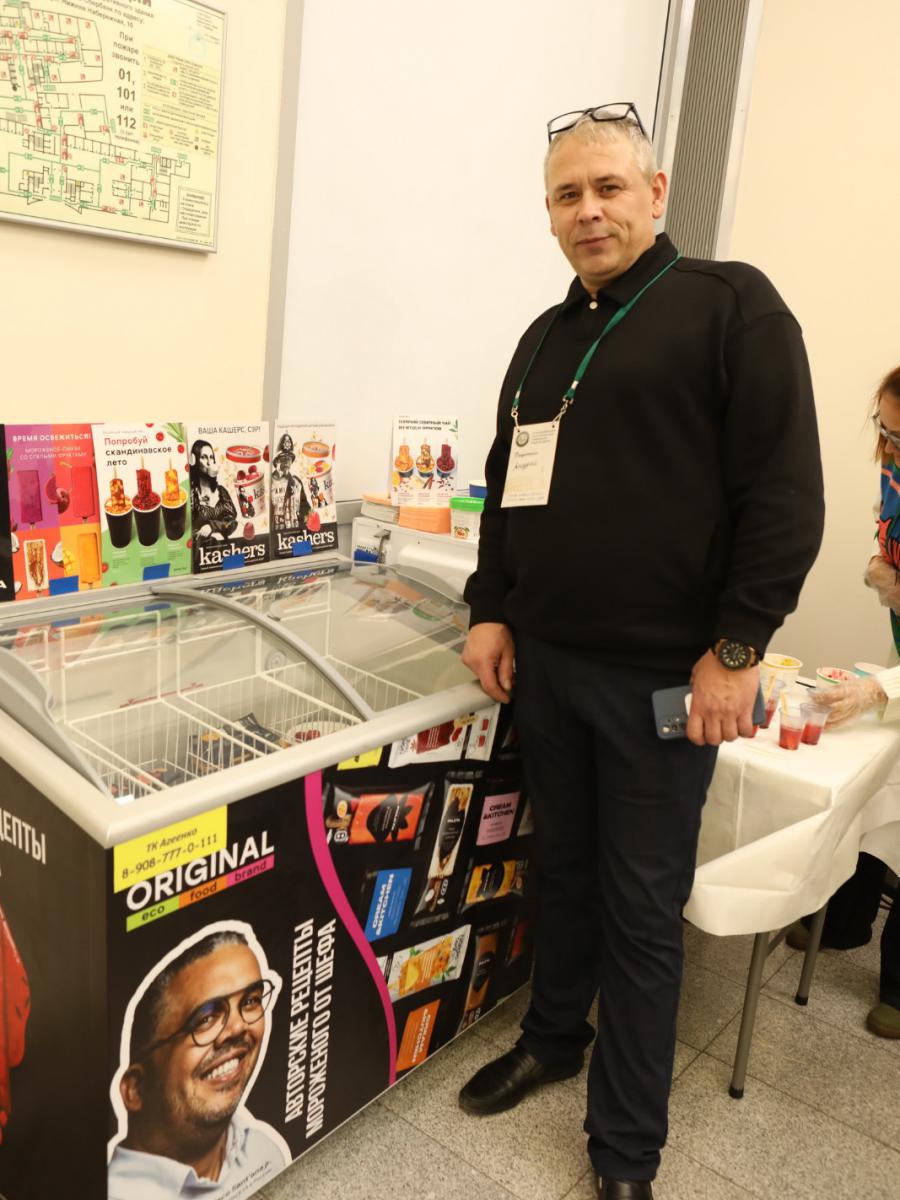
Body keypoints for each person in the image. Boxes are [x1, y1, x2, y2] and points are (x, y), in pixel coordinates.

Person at [459, 103, 824, 1199]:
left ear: (656, 193)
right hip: (549, 666)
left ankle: (624, 1148)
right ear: (549, 213)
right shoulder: (544, 338)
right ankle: (553, 1038)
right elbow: (508, 491)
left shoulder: (731, 306)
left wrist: (738, 647)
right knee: (562, 870)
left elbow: (784, 495)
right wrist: (490, 607)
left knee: (641, 906)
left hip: (668, 678)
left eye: (609, 187)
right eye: (567, 195)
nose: (589, 211)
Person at [793, 365, 900, 1038]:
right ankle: (845, 921)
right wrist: (884, 569)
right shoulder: (895, 465)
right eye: (885, 429)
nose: (889, 447)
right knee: (880, 786)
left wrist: (880, 688)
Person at [108, 927, 289, 1198]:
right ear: (136, 1089)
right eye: (204, 1019)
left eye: (250, 1001)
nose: (238, 1027)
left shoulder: (264, 1154)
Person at [189, 440, 238, 547]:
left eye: (211, 457)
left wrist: (212, 526)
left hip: (225, 550)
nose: (209, 462)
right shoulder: (191, 494)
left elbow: (232, 523)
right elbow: (187, 530)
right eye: (204, 457)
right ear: (194, 461)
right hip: (202, 552)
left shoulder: (221, 491)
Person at [270, 431, 311, 531]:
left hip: (295, 531)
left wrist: (311, 518)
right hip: (277, 531)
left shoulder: (297, 482)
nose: (287, 462)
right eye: (283, 458)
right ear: (276, 461)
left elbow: (305, 508)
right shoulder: (269, 483)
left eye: (289, 458)